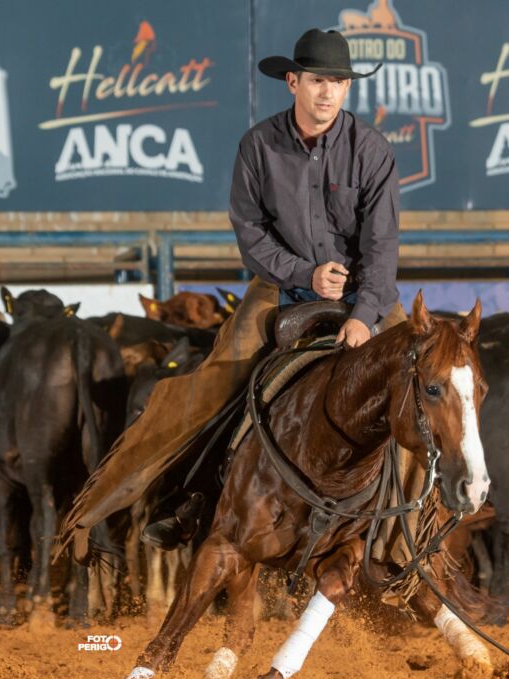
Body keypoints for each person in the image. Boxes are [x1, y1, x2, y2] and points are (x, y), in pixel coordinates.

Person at [61, 28, 405, 553]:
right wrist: (304, 273)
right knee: (218, 381)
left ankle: (425, 520)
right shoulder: (259, 147)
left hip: (365, 292)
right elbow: (251, 238)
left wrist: (364, 314)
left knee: (425, 375)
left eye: (338, 82)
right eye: (317, 80)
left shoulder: (372, 150)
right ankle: (189, 497)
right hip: (280, 287)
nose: (328, 92)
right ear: (293, 82)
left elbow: (382, 246)